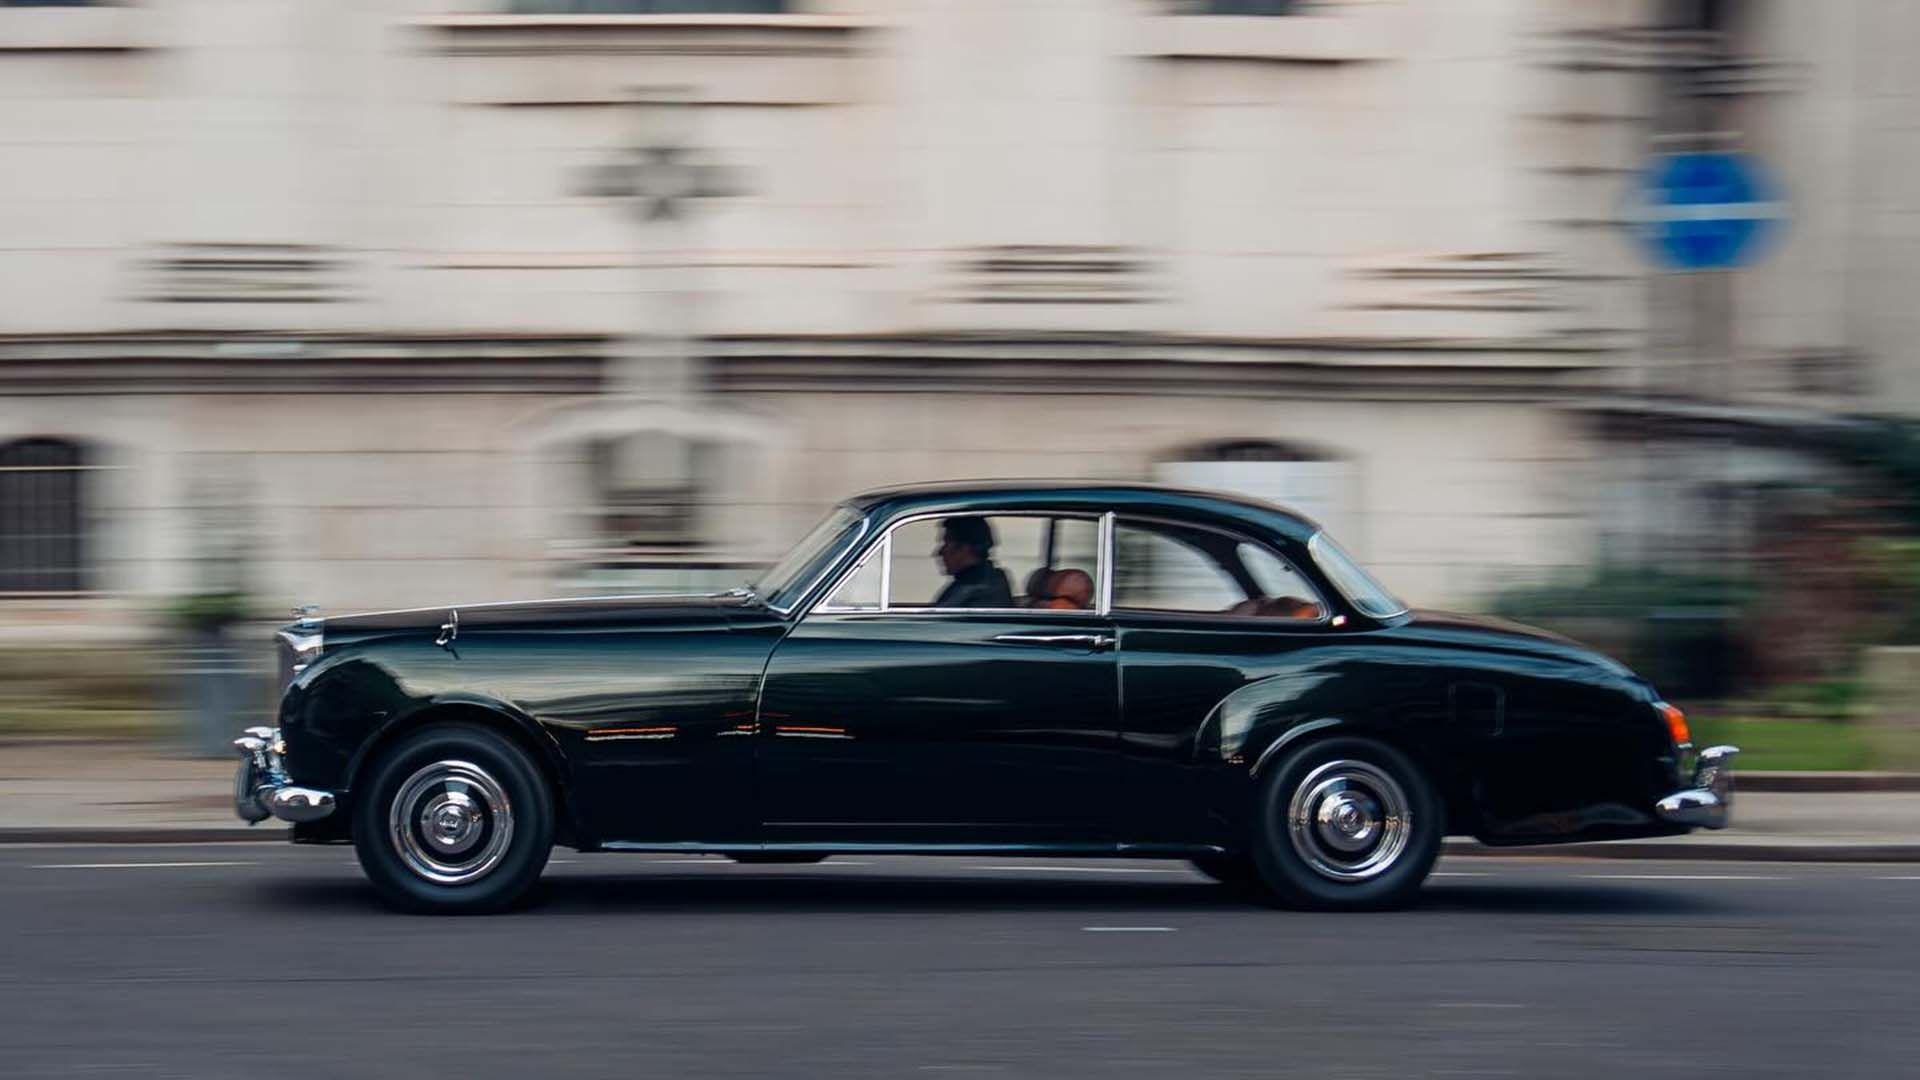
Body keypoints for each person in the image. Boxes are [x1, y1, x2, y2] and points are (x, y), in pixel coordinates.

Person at [932, 516, 1014, 608]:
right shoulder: (974, 584)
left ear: (966, 549)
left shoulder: (980, 592)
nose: (939, 552)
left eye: (947, 543)